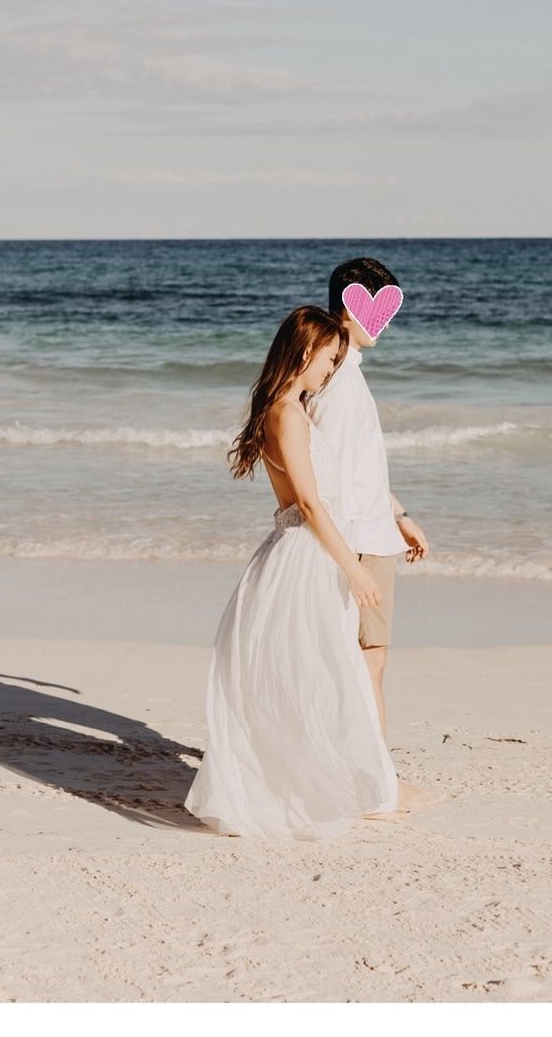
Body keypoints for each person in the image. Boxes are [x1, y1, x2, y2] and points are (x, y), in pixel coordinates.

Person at [183, 305, 407, 840]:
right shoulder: (286, 414)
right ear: (305, 351)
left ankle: (327, 784)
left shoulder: (290, 409)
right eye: (328, 359)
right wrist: (354, 568)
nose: (331, 370)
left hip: (309, 554)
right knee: (321, 674)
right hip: (306, 557)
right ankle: (324, 789)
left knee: (317, 674)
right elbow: (308, 503)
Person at [307, 257, 430, 745]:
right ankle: (376, 774)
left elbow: (355, 469)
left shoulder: (341, 373)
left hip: (370, 533)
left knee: (361, 660)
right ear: (348, 307)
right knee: (368, 660)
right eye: (379, 310)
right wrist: (354, 561)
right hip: (359, 543)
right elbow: (329, 479)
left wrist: (399, 514)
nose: (386, 323)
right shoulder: (339, 383)